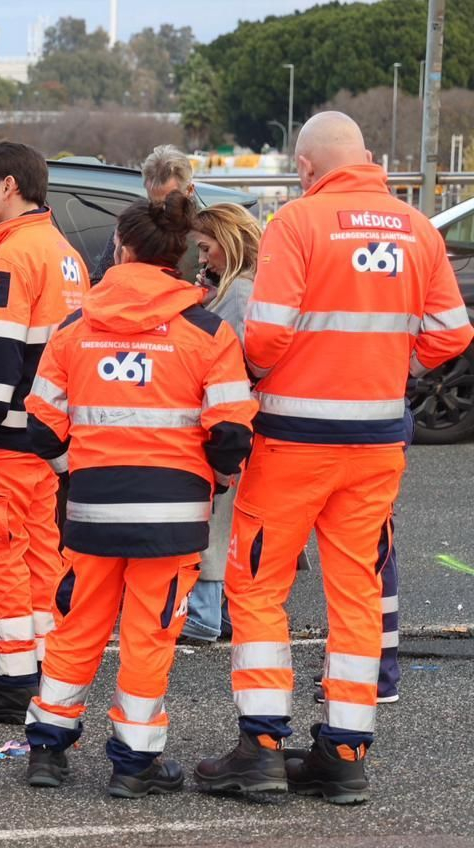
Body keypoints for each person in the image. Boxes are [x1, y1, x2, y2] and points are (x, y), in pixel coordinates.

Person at [195, 112, 474, 803]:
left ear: (307, 166)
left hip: (293, 439)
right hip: (376, 443)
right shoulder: (415, 227)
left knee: (259, 588)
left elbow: (265, 334)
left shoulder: (298, 222)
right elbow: (451, 334)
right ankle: (345, 753)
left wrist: (255, 379)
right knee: (358, 593)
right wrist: (386, 364)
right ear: (369, 159)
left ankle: (260, 749)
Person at [22, 192, 257, 796]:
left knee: (76, 631)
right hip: (173, 517)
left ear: (122, 249)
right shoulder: (206, 330)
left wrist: (78, 470)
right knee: (150, 638)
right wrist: (216, 478)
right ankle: (135, 764)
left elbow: (41, 427)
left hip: (93, 511)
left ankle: (47, 750)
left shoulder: (75, 329)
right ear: (177, 256)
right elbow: (231, 431)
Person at [0, 141, 89, 724]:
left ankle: (12, 681)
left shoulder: (10, 260)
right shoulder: (65, 254)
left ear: (10, 186)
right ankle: (46, 675)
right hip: (42, 443)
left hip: (0, 445)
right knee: (39, 562)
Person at [178, 203, 263, 645]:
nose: (201, 257)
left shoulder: (238, 294)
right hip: (244, 418)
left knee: (216, 515)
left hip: (232, 419)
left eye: (207, 247)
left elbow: (233, 362)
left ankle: (206, 613)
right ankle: (221, 610)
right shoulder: (239, 289)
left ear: (228, 245)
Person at [90, 145, 196, 285]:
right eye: (152, 201)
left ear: (189, 190)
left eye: (167, 203)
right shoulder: (132, 228)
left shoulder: (208, 233)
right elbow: (100, 282)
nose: (160, 211)